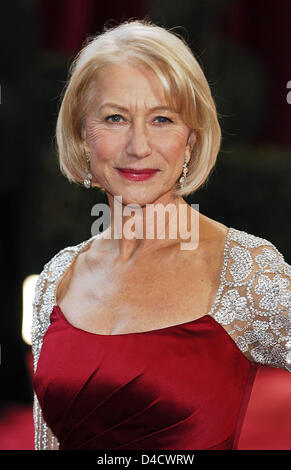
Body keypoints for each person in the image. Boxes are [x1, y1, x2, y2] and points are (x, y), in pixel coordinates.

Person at [31, 18, 291, 451]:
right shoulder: (59, 277)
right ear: (82, 136)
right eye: (115, 118)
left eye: (162, 119)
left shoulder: (243, 271)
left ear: (190, 139)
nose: (138, 146)